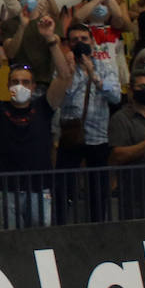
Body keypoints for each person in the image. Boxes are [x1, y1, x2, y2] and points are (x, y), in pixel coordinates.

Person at [0, 22, 67, 229]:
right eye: (15, 81)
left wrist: (52, 41)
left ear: (34, 86)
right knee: (9, 246)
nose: (20, 86)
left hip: (40, 190)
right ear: (8, 85)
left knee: (41, 241)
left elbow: (64, 76)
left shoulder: (44, 107)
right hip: (7, 191)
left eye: (25, 82)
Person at [54, 22, 121, 224]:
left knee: (98, 191)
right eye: (74, 40)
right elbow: (59, 98)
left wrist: (94, 75)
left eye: (84, 39)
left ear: (91, 41)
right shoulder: (63, 69)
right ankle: (61, 227)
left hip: (97, 138)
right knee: (63, 189)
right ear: (69, 44)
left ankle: (99, 228)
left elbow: (116, 96)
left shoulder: (106, 66)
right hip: (71, 136)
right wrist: (72, 73)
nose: (80, 43)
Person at [109, 66, 145, 219]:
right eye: (142, 86)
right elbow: (117, 156)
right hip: (134, 194)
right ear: (132, 91)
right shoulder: (121, 119)